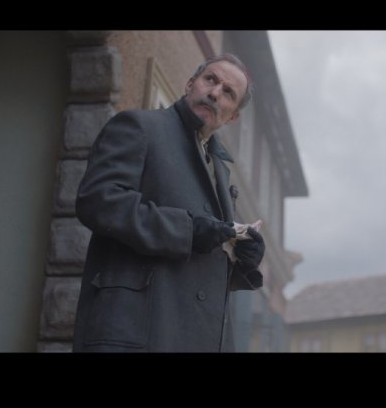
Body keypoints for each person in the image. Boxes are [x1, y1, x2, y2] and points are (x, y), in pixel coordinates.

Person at [72, 54, 265, 352]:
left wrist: (241, 260)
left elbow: (200, 264)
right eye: (210, 80)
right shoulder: (139, 126)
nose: (215, 92)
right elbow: (98, 200)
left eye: (228, 92)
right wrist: (187, 230)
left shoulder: (220, 169)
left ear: (232, 117)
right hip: (135, 335)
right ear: (190, 84)